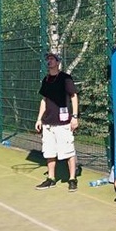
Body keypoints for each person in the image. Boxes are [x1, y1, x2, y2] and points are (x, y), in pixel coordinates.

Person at [34, 52, 80, 192]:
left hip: (63, 123)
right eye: (47, 59)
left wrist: (75, 116)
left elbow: (73, 96)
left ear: (58, 62)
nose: (49, 61)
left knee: (68, 152)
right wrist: (39, 119)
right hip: (48, 123)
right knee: (49, 152)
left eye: (52, 59)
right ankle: (51, 178)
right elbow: (44, 100)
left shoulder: (65, 78)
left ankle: (72, 179)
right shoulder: (46, 79)